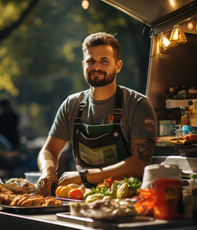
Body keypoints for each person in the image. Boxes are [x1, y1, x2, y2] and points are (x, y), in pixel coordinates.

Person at [37, 32, 157, 196]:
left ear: (118, 66)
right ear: (83, 65)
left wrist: (83, 176)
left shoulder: (138, 104)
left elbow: (140, 163)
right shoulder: (71, 104)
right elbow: (48, 151)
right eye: (91, 61)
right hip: (83, 197)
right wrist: (47, 171)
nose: (96, 67)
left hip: (128, 198)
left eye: (104, 61)